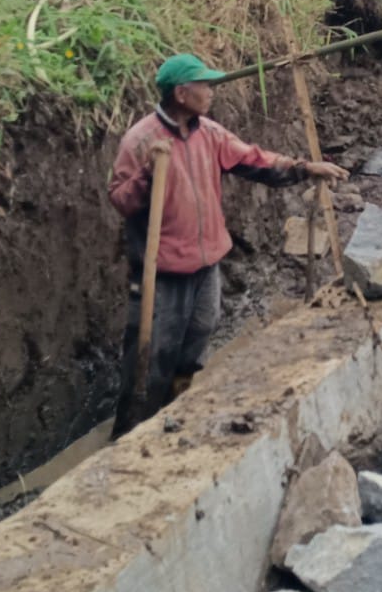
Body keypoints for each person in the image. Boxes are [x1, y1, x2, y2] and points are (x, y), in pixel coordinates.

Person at [108, 54, 348, 431]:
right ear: (181, 93)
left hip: (206, 267)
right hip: (162, 275)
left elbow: (254, 160)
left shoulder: (210, 134)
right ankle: (130, 434)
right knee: (151, 358)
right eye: (205, 85)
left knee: (198, 338)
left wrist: (303, 168)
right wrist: (147, 175)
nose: (212, 92)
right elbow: (120, 199)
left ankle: (175, 416)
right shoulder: (141, 140)